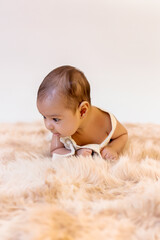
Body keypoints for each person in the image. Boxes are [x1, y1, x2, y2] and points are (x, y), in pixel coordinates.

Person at [37, 65, 128, 160]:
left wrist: (113, 148)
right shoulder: (59, 132)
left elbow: (122, 135)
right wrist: (76, 154)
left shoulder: (107, 122)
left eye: (55, 119)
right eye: (44, 117)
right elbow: (55, 151)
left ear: (82, 111)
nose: (48, 126)